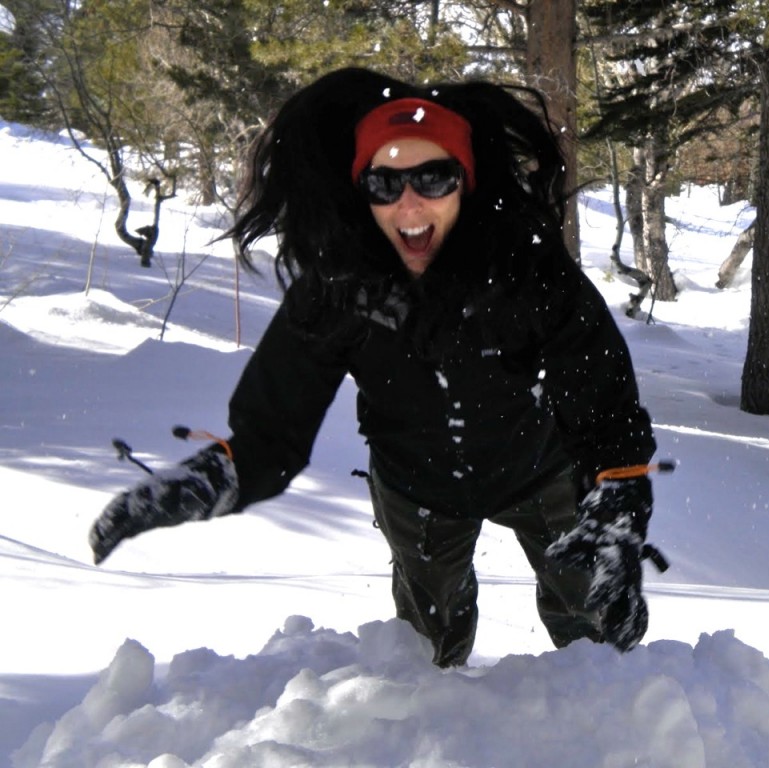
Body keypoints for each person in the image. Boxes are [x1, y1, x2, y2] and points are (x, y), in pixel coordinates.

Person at [89, 67, 662, 668]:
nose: (409, 203)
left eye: (432, 177)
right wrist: (217, 477)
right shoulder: (340, 284)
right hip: (416, 487)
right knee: (423, 652)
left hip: (540, 470)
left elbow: (607, 411)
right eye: (384, 183)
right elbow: (274, 430)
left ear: (465, 181)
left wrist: (618, 508)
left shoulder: (529, 270)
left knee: (596, 633)